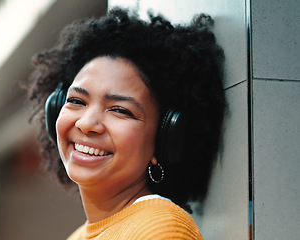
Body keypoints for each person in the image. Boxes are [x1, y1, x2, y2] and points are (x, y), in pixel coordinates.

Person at [28, 7, 225, 240]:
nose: (87, 123)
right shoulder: (78, 236)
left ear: (165, 138)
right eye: (77, 101)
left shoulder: (161, 228)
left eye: (120, 110)